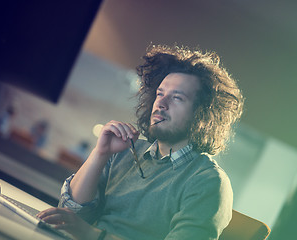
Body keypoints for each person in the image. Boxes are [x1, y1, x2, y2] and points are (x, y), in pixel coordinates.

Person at [37, 44, 244, 240]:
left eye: (177, 98)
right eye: (159, 94)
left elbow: (82, 229)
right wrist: (101, 153)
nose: (161, 104)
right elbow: (71, 215)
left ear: (202, 115)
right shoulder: (125, 151)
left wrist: (92, 235)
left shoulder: (209, 182)